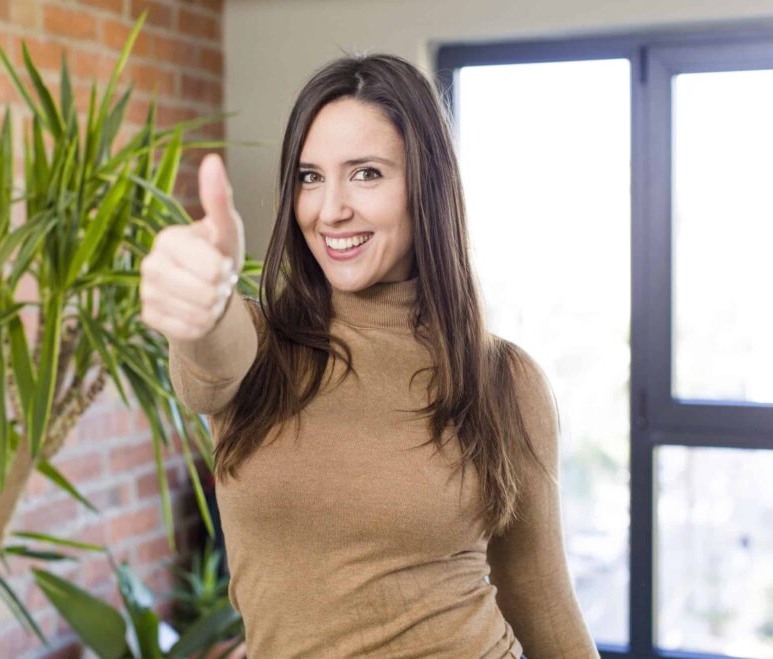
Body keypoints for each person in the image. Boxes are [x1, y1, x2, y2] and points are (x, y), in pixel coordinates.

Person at [139, 53, 599, 659]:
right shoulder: (260, 347)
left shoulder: (503, 381)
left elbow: (541, 600)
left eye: (366, 174)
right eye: (309, 177)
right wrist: (201, 303)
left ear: (425, 186)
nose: (330, 209)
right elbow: (207, 367)